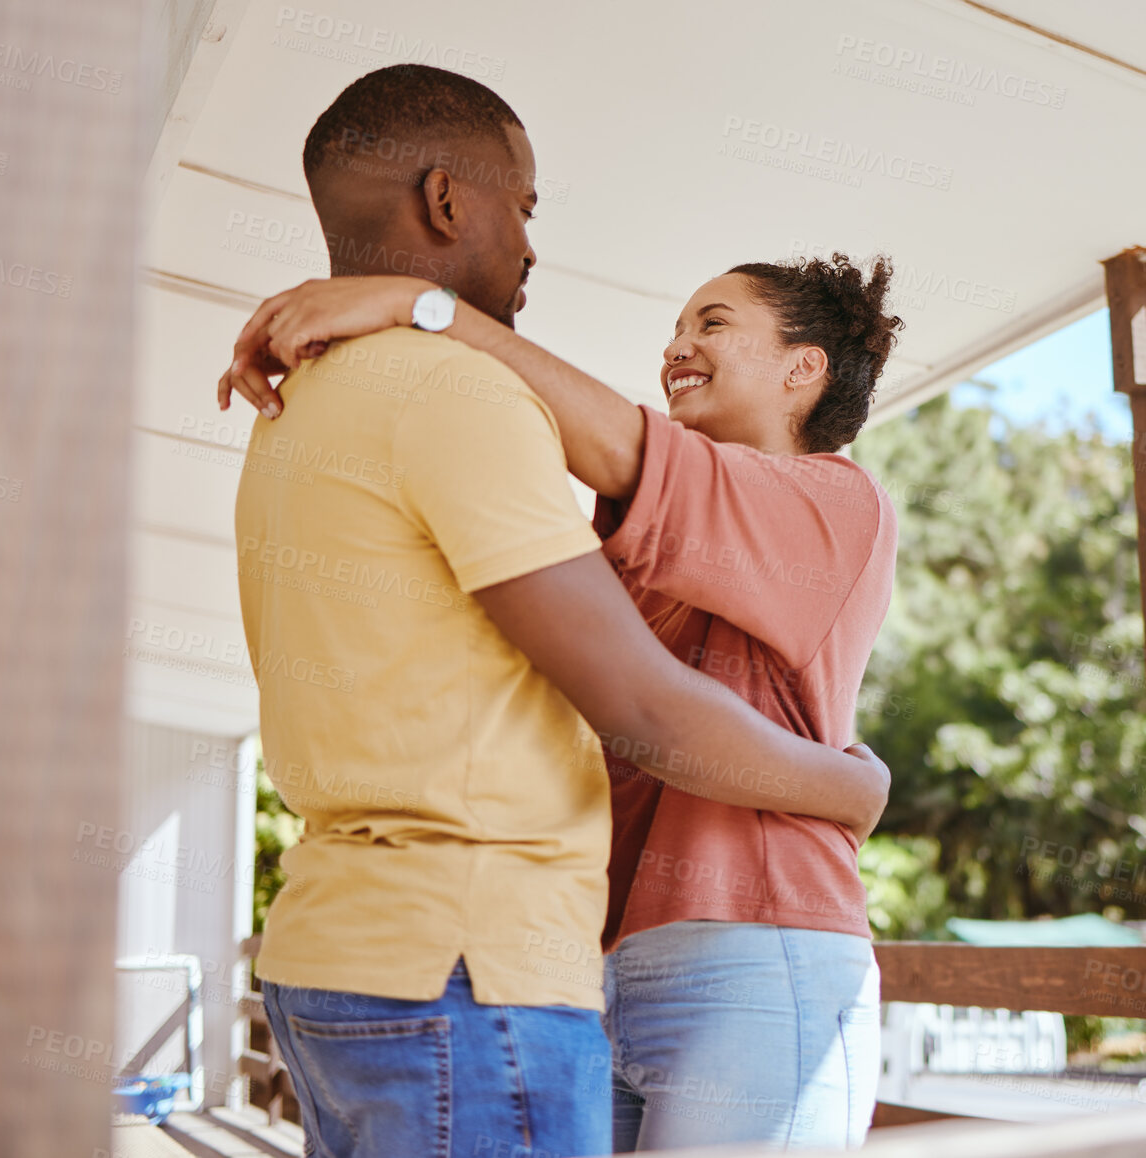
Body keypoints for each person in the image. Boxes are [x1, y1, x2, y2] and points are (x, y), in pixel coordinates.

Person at [232, 64, 891, 1158]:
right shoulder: (619, 521)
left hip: (756, 938)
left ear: (801, 372)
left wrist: (418, 307)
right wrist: (848, 782)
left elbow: (631, 458)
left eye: (714, 324)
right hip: (602, 954)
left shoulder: (831, 502)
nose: (678, 344)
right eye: (675, 323)